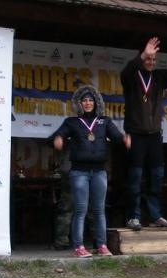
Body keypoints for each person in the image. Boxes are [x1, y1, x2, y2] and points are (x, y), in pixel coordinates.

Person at [51, 84, 130, 257]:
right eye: (84, 100)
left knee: (99, 210)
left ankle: (102, 246)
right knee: (80, 210)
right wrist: (58, 138)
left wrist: (125, 138)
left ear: (96, 102)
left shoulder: (104, 121)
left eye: (90, 100)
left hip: (99, 172)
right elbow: (59, 134)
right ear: (79, 103)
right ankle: (78, 247)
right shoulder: (71, 122)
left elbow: (116, 137)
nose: (87, 103)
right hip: (79, 172)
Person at [120, 37, 167, 230]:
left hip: (154, 135)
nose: (151, 62)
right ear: (141, 59)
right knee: (135, 178)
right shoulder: (132, 77)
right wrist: (144, 53)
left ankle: (155, 215)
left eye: (153, 59)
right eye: (148, 59)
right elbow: (125, 72)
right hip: (135, 134)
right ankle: (133, 216)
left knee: (157, 177)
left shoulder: (159, 78)